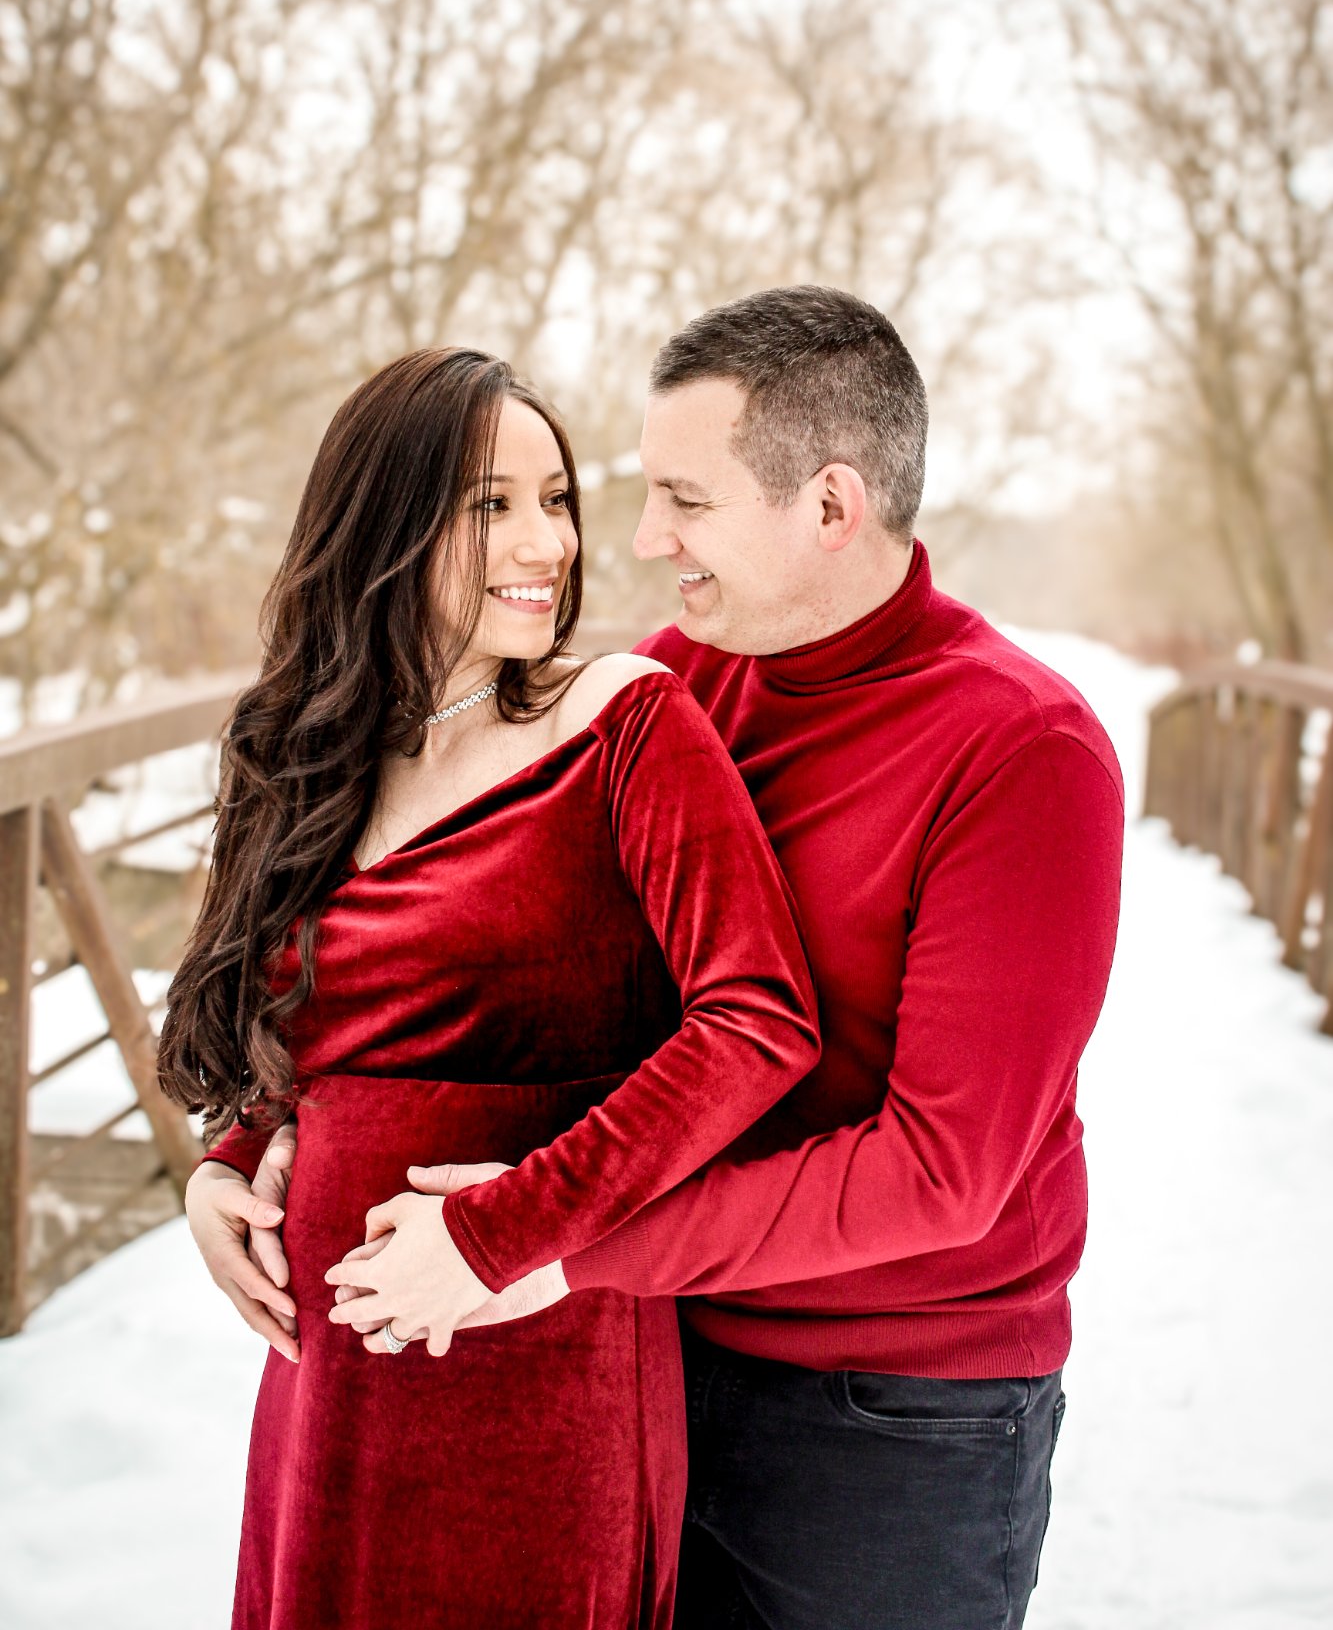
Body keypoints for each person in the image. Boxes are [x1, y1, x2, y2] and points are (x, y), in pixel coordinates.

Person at [194, 287, 1125, 1630]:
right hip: (651, 1348)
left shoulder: (1021, 754)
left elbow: (945, 1171)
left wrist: (550, 1248)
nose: (636, 540)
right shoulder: (672, 683)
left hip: (882, 1413)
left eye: (682, 499)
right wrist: (252, 1140)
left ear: (829, 506)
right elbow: (452, 953)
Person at [162, 346, 820, 1630]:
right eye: (490, 504)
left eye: (557, 497)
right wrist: (225, 1165)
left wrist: (498, 1230)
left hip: (535, 1360)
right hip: (331, 1382)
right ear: (385, 521)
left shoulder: (627, 721)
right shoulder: (308, 751)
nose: (548, 541)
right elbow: (316, 1034)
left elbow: (757, 1021)